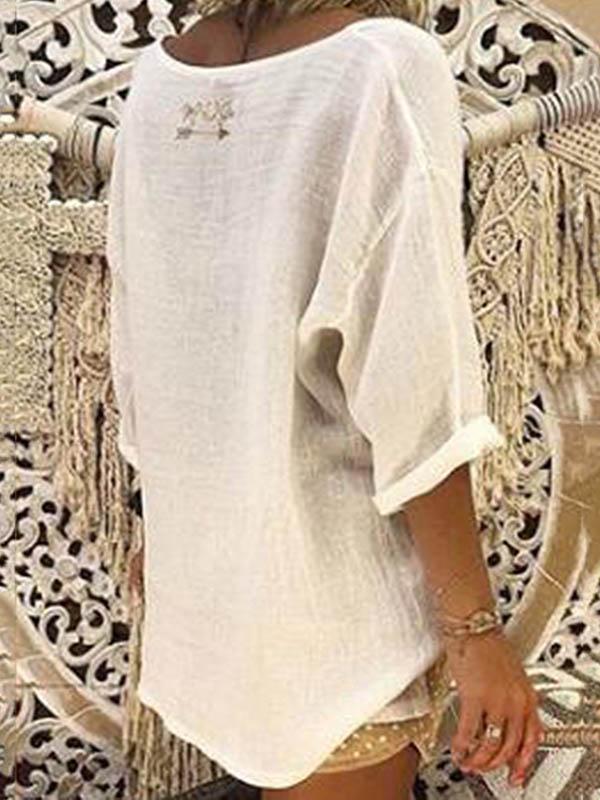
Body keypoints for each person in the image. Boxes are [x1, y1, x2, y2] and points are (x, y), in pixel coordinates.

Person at [112, 2, 544, 799]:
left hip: (211, 598)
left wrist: (165, 537)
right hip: (335, 618)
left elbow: (146, 344)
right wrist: (475, 632)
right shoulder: (378, 68)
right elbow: (414, 387)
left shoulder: (159, 81)